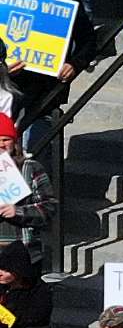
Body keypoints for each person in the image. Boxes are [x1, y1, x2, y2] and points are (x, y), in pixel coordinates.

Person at [7, 0, 97, 152]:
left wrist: (74, 64)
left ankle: (39, 180)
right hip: (12, 80)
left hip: (47, 83)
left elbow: (87, 39)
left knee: (40, 147)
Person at [0, 115, 56, 269]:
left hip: (23, 252)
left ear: (15, 142)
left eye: (6, 139)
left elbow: (50, 207)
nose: (1, 144)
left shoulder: (30, 167)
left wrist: (18, 211)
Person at [0, 240, 51, 328]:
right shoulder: (3, 287)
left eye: (6, 270)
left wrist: (6, 317)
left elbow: (33, 319)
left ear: (18, 271)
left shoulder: (39, 291)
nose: (0, 274)